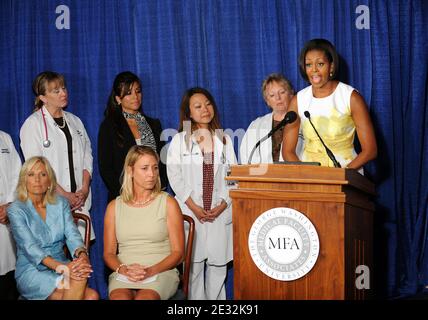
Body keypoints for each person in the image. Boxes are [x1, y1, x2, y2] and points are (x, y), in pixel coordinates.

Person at [167, 87, 237, 300]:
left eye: (207, 104)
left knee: (218, 267)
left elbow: (234, 178)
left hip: (219, 212)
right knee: (193, 267)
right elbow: (175, 176)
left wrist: (222, 205)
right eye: (198, 106)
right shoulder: (180, 140)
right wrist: (195, 207)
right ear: (188, 113)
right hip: (191, 212)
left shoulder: (224, 139)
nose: (205, 109)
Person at [7, 156, 99, 300]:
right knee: (80, 283)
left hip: (62, 265)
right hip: (32, 270)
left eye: (43, 174)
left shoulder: (60, 203)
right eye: (31, 175)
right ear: (24, 180)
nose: (37, 180)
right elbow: (30, 248)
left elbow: (72, 234)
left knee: (92, 296)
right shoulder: (15, 209)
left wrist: (82, 255)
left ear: (50, 181)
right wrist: (63, 268)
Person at [19, 71, 94, 239]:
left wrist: (84, 188)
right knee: (56, 259)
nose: (63, 93)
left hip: (79, 202)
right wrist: (65, 195)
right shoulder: (33, 125)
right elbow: (37, 169)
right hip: (49, 203)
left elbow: (87, 157)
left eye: (63, 88)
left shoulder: (75, 121)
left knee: (80, 258)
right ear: (43, 98)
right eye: (56, 91)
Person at [104, 145, 184, 300]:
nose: (151, 174)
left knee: (145, 298)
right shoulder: (114, 206)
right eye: (145, 168)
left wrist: (151, 271)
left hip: (161, 271)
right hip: (124, 272)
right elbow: (108, 253)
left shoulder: (168, 203)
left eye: (155, 168)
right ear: (130, 171)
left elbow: (178, 253)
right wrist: (123, 269)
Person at [283, 39, 377, 170]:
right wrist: (305, 174)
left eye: (320, 64)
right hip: (311, 178)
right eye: (308, 65)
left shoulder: (351, 97)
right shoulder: (298, 100)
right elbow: (288, 151)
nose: (314, 70)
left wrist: (340, 176)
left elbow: (370, 150)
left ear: (331, 66)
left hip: (347, 176)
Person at [98, 71, 167, 202]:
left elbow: (162, 162)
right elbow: (106, 168)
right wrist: (126, 194)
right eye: (128, 93)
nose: (135, 96)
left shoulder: (154, 124)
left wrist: (158, 190)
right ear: (118, 99)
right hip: (124, 197)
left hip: (154, 196)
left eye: (138, 91)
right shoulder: (109, 126)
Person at [240, 73, 303, 164]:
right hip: (262, 176)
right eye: (272, 95)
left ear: (291, 94)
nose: (278, 98)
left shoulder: (304, 122)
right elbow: (245, 155)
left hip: (296, 175)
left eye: (282, 92)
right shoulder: (256, 125)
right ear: (267, 101)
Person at [0, 130, 21, 300]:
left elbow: (17, 175)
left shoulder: (5, 138)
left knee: (9, 278)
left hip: (6, 216)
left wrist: (9, 204)